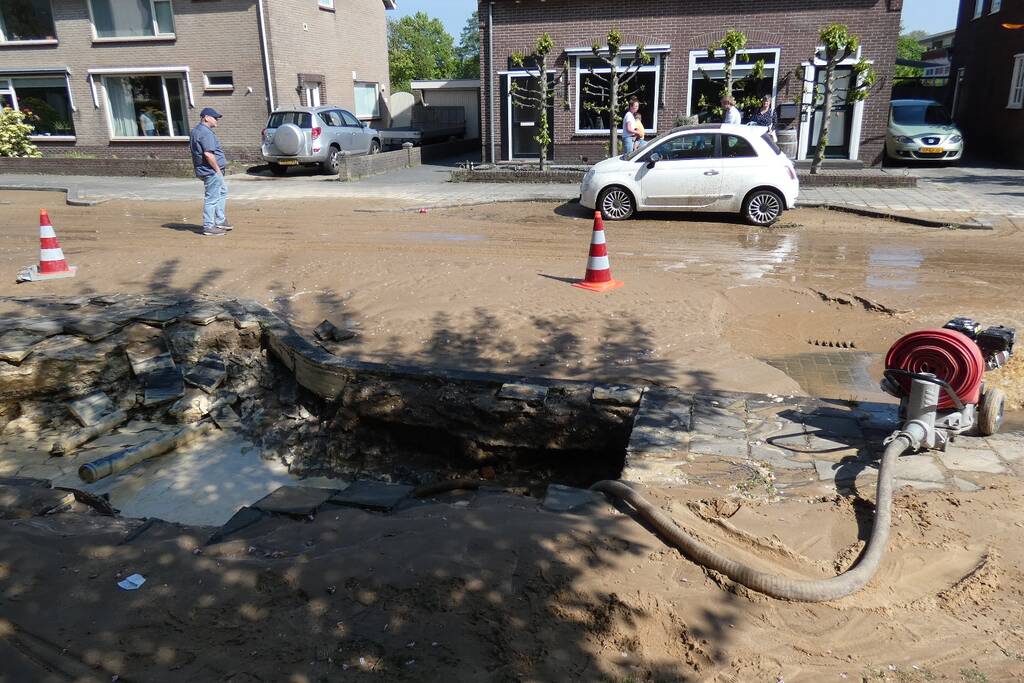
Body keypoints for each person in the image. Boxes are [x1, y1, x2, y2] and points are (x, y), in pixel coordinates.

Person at [189, 107, 232, 237]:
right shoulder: (206, 133)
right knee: (212, 198)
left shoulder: (196, 131)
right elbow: (208, 154)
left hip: (205, 169)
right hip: (211, 170)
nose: (217, 120)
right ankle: (208, 226)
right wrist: (217, 170)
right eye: (215, 118)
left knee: (222, 191)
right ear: (206, 118)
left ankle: (220, 220)